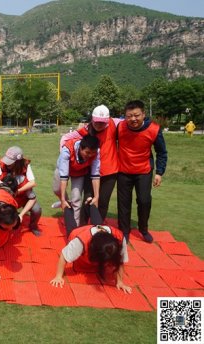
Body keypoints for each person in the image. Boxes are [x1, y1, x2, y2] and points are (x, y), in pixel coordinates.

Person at [117, 100, 168, 243]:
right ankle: (124, 231)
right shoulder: (120, 127)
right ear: (125, 116)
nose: (133, 119)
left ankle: (143, 229)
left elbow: (161, 152)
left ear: (143, 114)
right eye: (129, 116)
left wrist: (159, 172)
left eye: (136, 115)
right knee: (124, 202)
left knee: (144, 201)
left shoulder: (154, 129)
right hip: (123, 170)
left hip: (143, 171)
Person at [60, 105, 120, 221]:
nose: (99, 125)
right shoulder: (86, 130)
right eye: (96, 122)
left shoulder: (114, 123)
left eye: (102, 123)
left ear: (108, 120)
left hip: (110, 171)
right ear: (92, 119)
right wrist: (64, 152)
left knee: (103, 201)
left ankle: (97, 228)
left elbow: (130, 122)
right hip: (90, 170)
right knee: (88, 199)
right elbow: (65, 138)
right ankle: (82, 227)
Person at [49, 217, 132, 294]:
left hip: (95, 232)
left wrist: (120, 282)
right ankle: (66, 206)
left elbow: (120, 261)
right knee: (70, 224)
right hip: (76, 232)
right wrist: (58, 276)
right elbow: (64, 256)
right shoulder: (80, 241)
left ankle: (91, 204)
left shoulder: (119, 238)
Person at [0, 146, 42, 236]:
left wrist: (21, 215)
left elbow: (32, 184)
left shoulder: (24, 170)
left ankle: (33, 226)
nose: (7, 163)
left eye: (11, 162)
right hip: (5, 196)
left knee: (37, 209)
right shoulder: (1, 164)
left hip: (20, 196)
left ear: (18, 161)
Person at [52, 135, 100, 228]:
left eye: (92, 153)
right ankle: (66, 201)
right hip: (63, 169)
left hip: (79, 172)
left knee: (76, 199)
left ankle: (75, 227)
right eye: (87, 152)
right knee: (57, 190)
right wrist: (62, 199)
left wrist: (97, 196)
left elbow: (95, 175)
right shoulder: (67, 150)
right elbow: (64, 177)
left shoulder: (96, 152)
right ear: (80, 148)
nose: (90, 156)